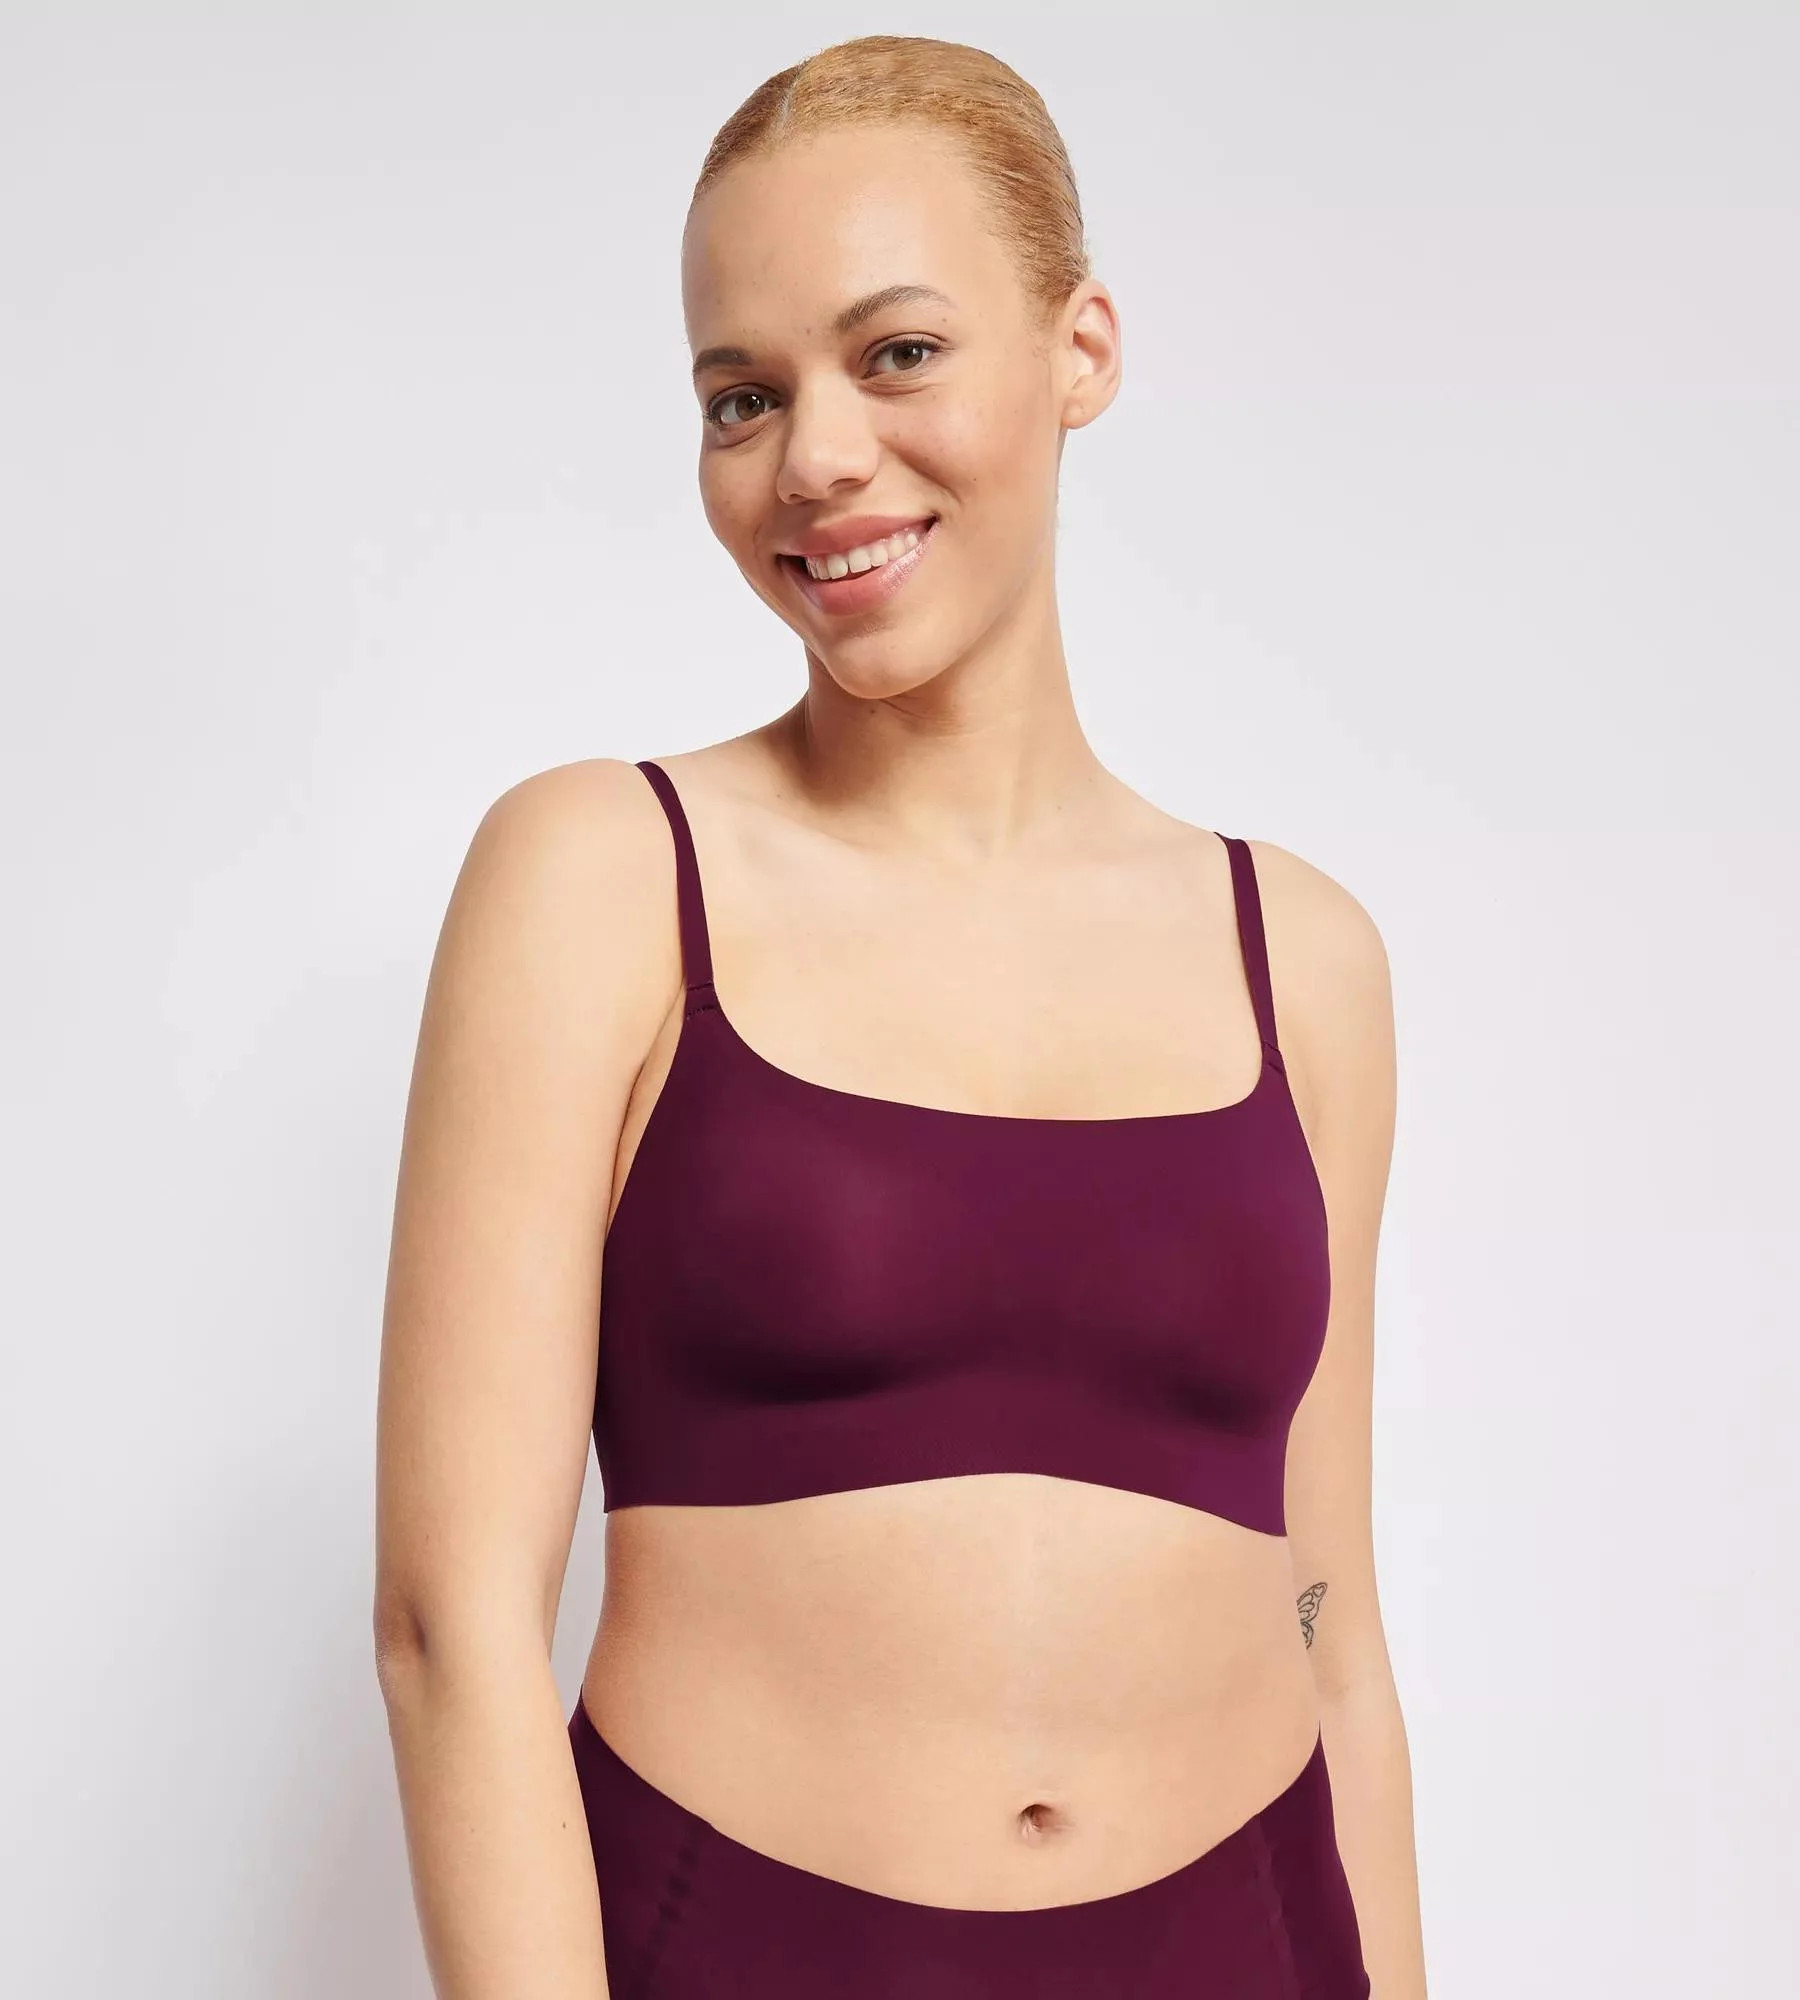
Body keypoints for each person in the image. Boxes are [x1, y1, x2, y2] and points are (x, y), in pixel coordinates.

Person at [374, 33, 1427, 1999]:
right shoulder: (603, 878)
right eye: (743, 395)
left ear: (1081, 349)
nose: (817, 458)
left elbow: (1332, 1629)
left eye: (899, 352)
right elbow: (451, 1629)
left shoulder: (1306, 957)